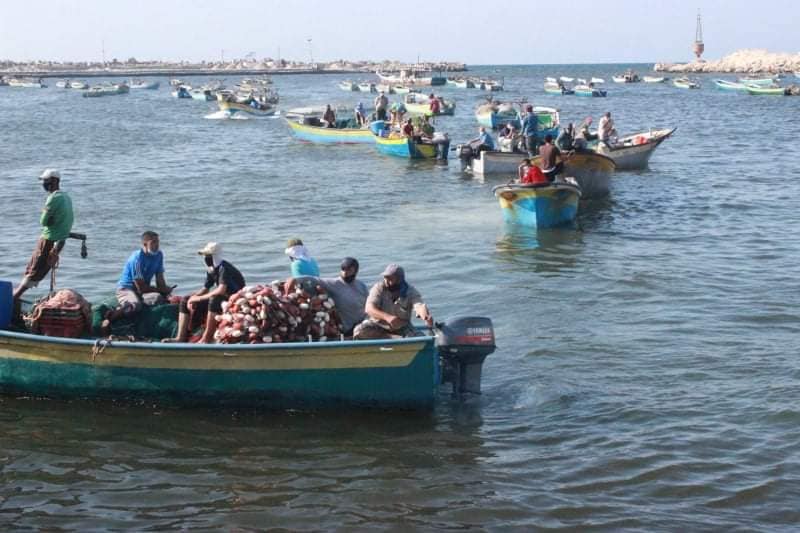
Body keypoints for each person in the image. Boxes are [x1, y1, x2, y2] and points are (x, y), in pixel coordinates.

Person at [13, 169, 74, 312]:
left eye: (46, 181)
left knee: (33, 271)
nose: (44, 184)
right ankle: (16, 297)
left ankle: (14, 297)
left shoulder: (53, 198)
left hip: (48, 239)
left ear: (55, 181)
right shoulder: (66, 197)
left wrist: (49, 220)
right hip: (60, 241)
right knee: (39, 271)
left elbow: (43, 221)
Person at [165, 242, 246, 344]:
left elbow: (221, 289)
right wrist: (192, 297)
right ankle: (180, 337)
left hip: (233, 298)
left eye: (209, 256)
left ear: (215, 256)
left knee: (214, 300)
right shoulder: (211, 270)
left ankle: (206, 338)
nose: (206, 259)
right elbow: (205, 289)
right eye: (205, 256)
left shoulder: (223, 268)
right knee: (185, 299)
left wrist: (199, 299)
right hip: (223, 296)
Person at [103, 231, 173, 332]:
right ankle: (111, 317)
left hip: (141, 291)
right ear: (145, 244)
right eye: (153, 242)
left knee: (160, 298)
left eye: (158, 242)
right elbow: (141, 287)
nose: (157, 245)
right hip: (126, 289)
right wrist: (159, 289)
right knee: (135, 304)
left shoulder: (159, 255)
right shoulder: (137, 259)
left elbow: (160, 280)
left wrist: (166, 290)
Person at [285, 257, 368, 337]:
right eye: (343, 269)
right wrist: (295, 279)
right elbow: (315, 279)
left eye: (349, 270)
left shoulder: (362, 286)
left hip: (364, 322)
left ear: (355, 271)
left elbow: (369, 304)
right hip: (349, 328)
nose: (345, 273)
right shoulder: (334, 284)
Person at [353, 264, 433, 340]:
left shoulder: (410, 291)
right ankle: (392, 338)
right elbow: (369, 309)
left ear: (399, 279)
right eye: (385, 277)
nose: (386, 281)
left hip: (401, 328)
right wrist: (387, 317)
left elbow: (419, 305)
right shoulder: (379, 288)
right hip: (378, 326)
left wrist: (425, 316)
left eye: (390, 278)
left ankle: (398, 339)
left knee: (421, 338)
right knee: (359, 330)